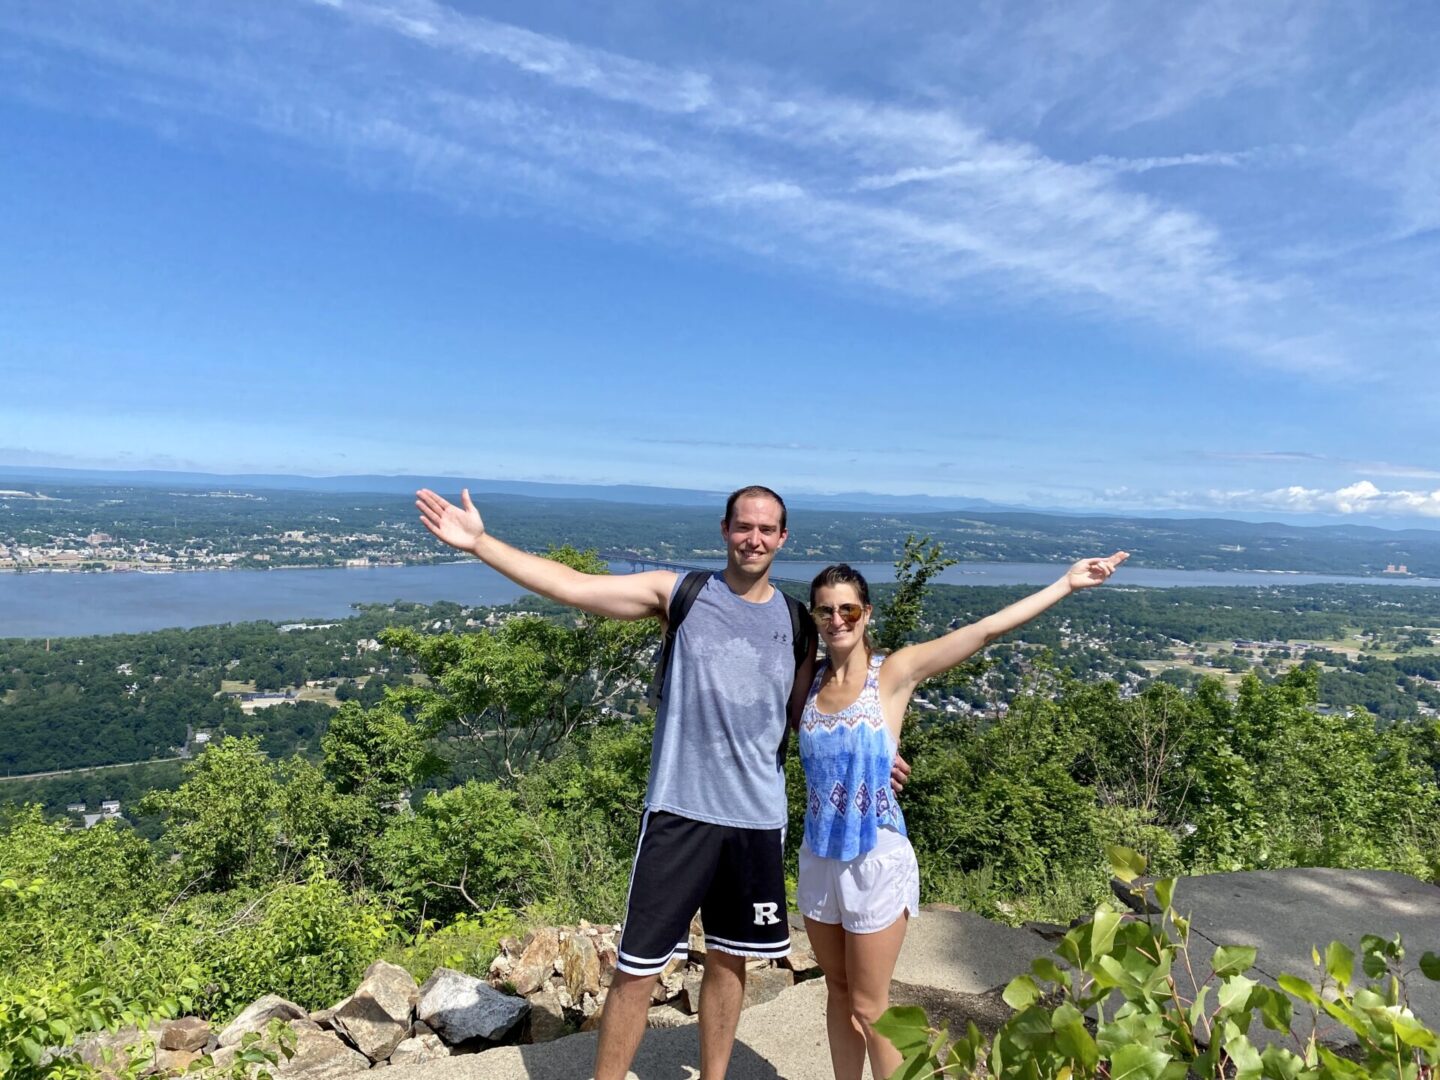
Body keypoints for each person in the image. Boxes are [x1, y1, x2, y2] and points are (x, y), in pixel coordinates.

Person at [416, 484, 848, 1080]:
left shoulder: (797, 623)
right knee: (638, 966)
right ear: (724, 529)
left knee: (730, 962)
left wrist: (869, 757)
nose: (754, 539)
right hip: (680, 809)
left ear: (782, 537)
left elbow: (806, 718)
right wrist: (481, 543)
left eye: (766, 529)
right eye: (743, 527)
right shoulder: (684, 594)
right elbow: (573, 585)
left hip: (756, 819)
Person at [798, 552, 1128, 1080]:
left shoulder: (893, 674)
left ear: (867, 615)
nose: (837, 620)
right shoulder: (809, 684)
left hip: (875, 855)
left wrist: (1064, 583)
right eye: (824, 611)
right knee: (836, 992)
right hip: (818, 856)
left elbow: (982, 631)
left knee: (870, 1004)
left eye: (849, 610)